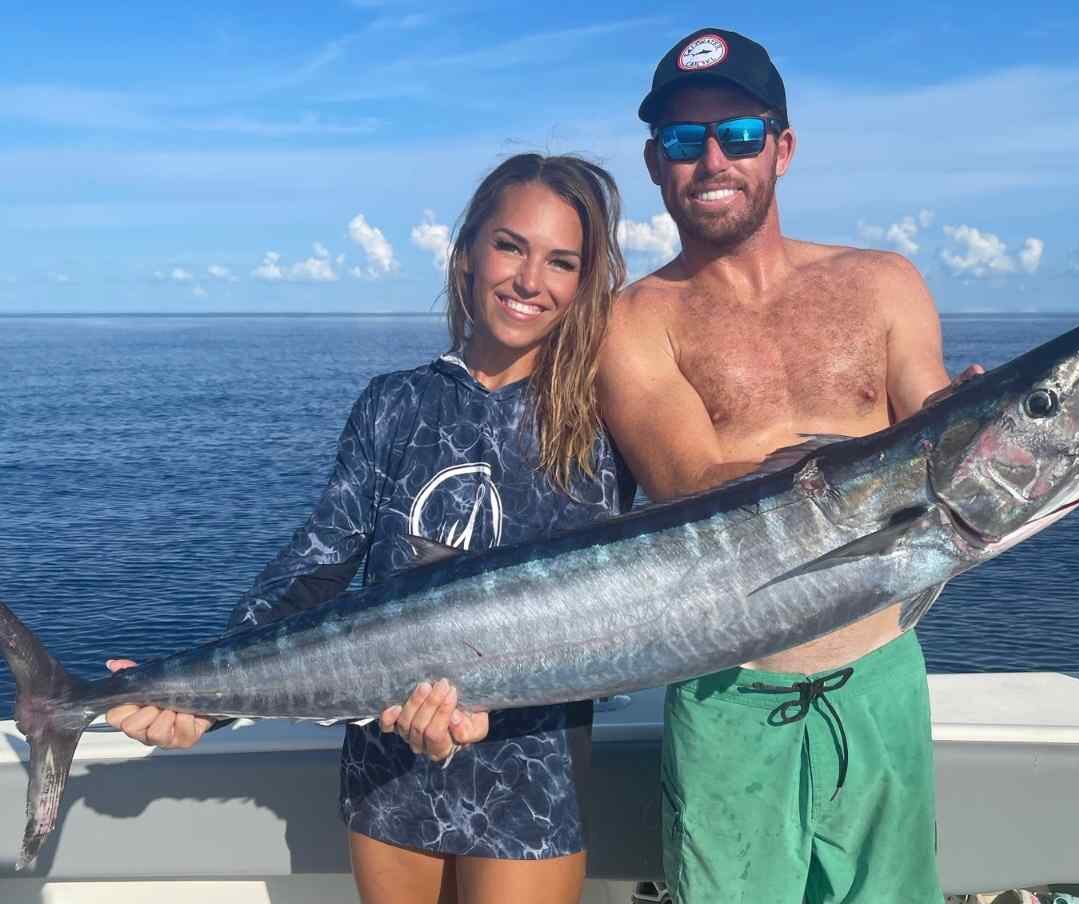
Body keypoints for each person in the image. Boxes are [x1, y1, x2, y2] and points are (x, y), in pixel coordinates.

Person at [105, 152, 634, 904]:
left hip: (531, 771)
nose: (528, 280)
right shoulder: (395, 402)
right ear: (466, 254)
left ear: (583, 285)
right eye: (510, 246)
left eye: (561, 262)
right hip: (388, 765)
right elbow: (314, 569)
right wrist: (202, 695)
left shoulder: (604, 420)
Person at [597, 27, 980, 904]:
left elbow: (930, 416)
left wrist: (986, 429)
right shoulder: (632, 321)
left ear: (783, 146)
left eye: (737, 133)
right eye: (685, 143)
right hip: (733, 694)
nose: (712, 161)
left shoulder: (886, 282)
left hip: (883, 678)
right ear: (657, 164)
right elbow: (693, 484)